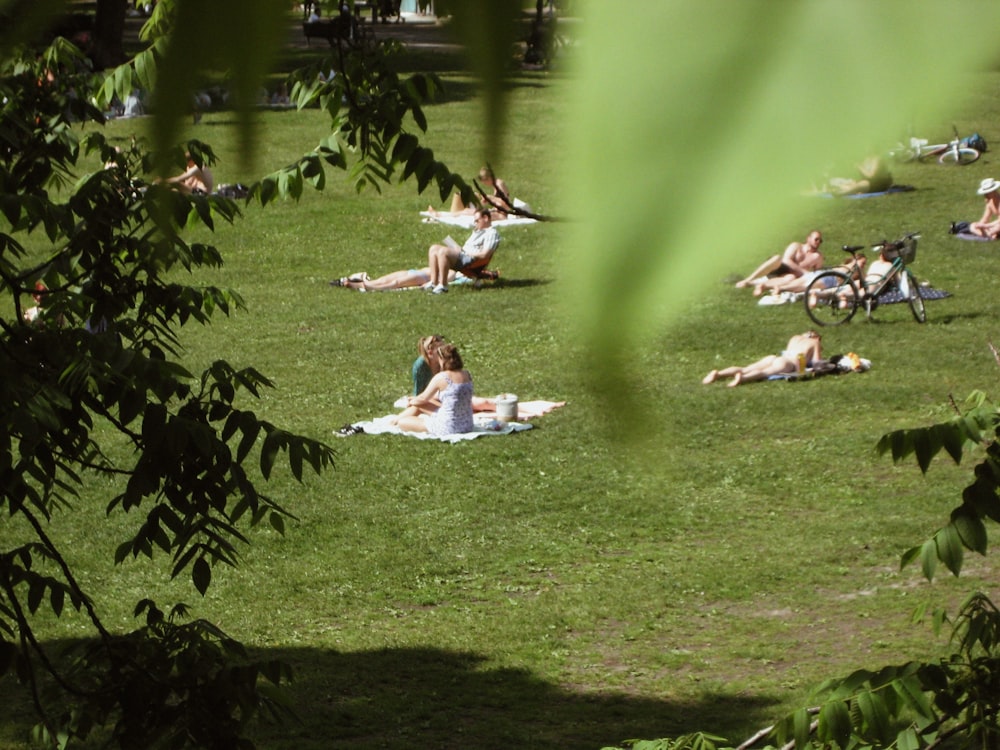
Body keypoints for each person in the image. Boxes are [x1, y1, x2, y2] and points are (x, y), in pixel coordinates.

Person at [391, 343, 475, 435]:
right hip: (467, 425)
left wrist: (411, 402)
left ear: (442, 360)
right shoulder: (467, 374)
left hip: (448, 427)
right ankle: (396, 419)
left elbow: (423, 398)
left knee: (403, 422)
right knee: (421, 404)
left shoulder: (441, 377)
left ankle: (395, 421)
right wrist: (415, 401)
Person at [702, 331, 823, 387]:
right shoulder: (814, 342)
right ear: (816, 337)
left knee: (745, 368)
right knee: (764, 373)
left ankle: (718, 373)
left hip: (775, 358)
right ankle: (743, 379)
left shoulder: (795, 337)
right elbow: (817, 363)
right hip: (787, 363)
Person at [425, 208, 500, 294]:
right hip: (464, 255)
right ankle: (433, 283)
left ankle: (443, 286)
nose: (475, 223)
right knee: (434, 248)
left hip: (472, 260)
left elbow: (485, 254)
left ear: (486, 218)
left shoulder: (491, 233)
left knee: (443, 252)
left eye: (477, 221)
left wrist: (467, 253)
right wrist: (459, 249)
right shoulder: (479, 231)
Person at [735, 230, 825, 289]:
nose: (818, 242)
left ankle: (754, 284)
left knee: (791, 277)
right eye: (816, 239)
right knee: (777, 258)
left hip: (790, 276)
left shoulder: (817, 257)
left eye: (820, 241)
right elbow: (786, 260)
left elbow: (817, 274)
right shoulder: (796, 246)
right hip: (779, 268)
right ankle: (748, 279)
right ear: (808, 238)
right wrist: (804, 271)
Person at [427, 166, 516, 221]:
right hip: (496, 212)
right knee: (467, 211)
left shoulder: (499, 184)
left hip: (501, 216)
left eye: (484, 182)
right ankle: (440, 215)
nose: (485, 184)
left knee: (468, 212)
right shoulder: (496, 185)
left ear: (488, 178)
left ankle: (439, 215)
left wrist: (491, 198)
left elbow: (507, 205)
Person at [825, 155, 893, 196]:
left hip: (879, 184)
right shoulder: (865, 159)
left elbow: (871, 176)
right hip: (868, 184)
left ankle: (844, 193)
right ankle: (844, 190)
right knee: (852, 184)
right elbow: (862, 176)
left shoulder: (877, 159)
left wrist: (859, 166)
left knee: (863, 183)